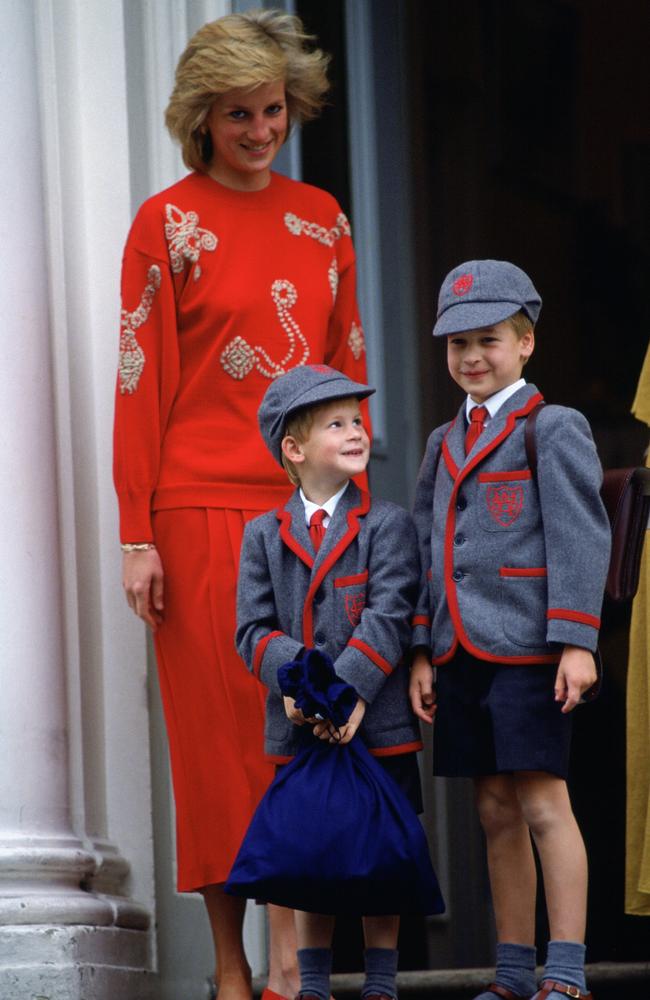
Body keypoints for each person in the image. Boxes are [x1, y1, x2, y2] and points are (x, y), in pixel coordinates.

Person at [113, 11, 370, 1000]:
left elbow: (345, 376)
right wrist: (137, 530)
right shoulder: (165, 222)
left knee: (304, 727)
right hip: (193, 508)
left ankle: (292, 964)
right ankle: (229, 968)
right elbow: (141, 381)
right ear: (201, 117)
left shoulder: (324, 220)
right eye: (238, 115)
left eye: (272, 110)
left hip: (301, 510)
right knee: (218, 745)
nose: (261, 130)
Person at [409, 260, 611, 1000]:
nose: (470, 357)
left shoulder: (552, 428)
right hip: (461, 649)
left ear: (525, 344)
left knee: (541, 801)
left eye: (488, 340)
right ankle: (513, 971)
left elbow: (580, 536)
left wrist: (577, 639)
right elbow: (431, 549)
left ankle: (565, 970)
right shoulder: (441, 440)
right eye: (457, 343)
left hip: (530, 646)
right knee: (492, 807)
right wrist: (423, 648)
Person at [236, 365, 427, 1000]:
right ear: (293, 449)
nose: (356, 431)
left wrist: (345, 691)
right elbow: (253, 629)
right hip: (302, 725)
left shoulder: (388, 524)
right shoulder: (262, 535)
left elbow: (390, 614)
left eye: (358, 421)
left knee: (382, 859)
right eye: (337, 423)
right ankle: (312, 985)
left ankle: (380, 984)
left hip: (375, 719)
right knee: (311, 859)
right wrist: (303, 691)